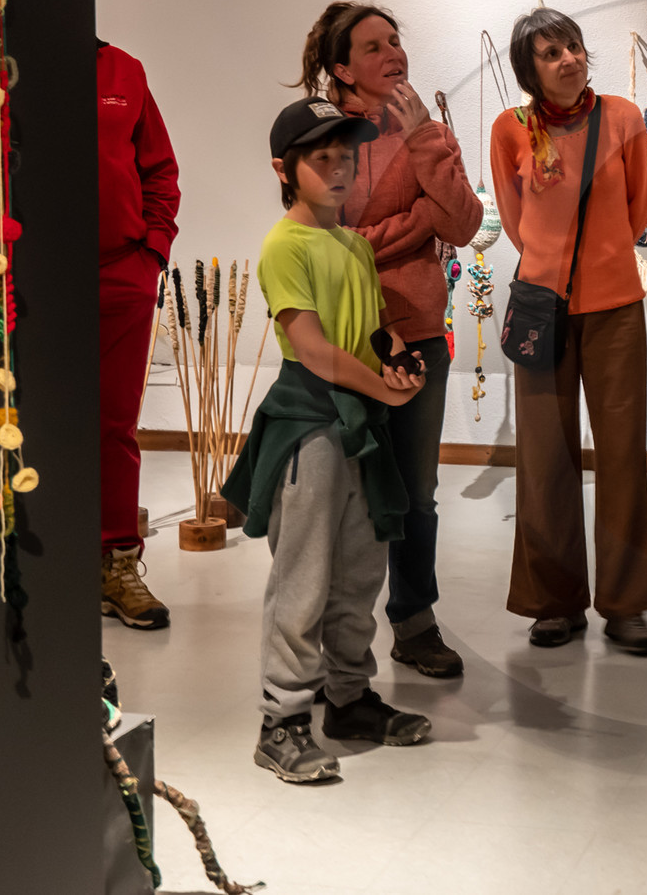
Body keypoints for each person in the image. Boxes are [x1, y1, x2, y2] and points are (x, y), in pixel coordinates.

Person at [221, 98, 433, 784]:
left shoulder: (352, 243)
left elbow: (372, 328)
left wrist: (399, 358)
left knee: (359, 572)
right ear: (286, 169)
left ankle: (348, 700)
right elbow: (311, 348)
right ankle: (280, 721)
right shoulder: (285, 247)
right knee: (303, 578)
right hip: (310, 426)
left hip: (359, 430)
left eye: (346, 156)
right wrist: (382, 391)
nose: (339, 169)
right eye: (323, 158)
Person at [296, 2, 483, 679]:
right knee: (342, 492)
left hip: (418, 337)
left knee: (416, 491)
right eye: (373, 46)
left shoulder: (424, 129)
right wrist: (413, 224)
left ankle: (414, 619)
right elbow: (321, 237)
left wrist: (427, 140)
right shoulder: (317, 134)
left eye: (395, 40)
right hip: (345, 338)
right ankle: (336, 636)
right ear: (340, 66)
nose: (393, 54)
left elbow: (461, 223)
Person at [489, 7, 647, 655]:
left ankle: (626, 604)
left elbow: (639, 206)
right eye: (550, 52)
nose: (568, 58)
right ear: (529, 69)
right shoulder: (510, 130)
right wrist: (553, 264)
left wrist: (602, 256)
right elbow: (515, 220)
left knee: (621, 455)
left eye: (572, 46)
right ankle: (553, 602)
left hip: (616, 304)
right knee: (543, 458)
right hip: (541, 305)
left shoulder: (622, 117)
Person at [97, 41, 180, 630]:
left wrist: (151, 251)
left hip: (121, 270)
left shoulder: (123, 69)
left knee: (114, 422)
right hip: (26, 275)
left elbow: (159, 170)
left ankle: (116, 562)